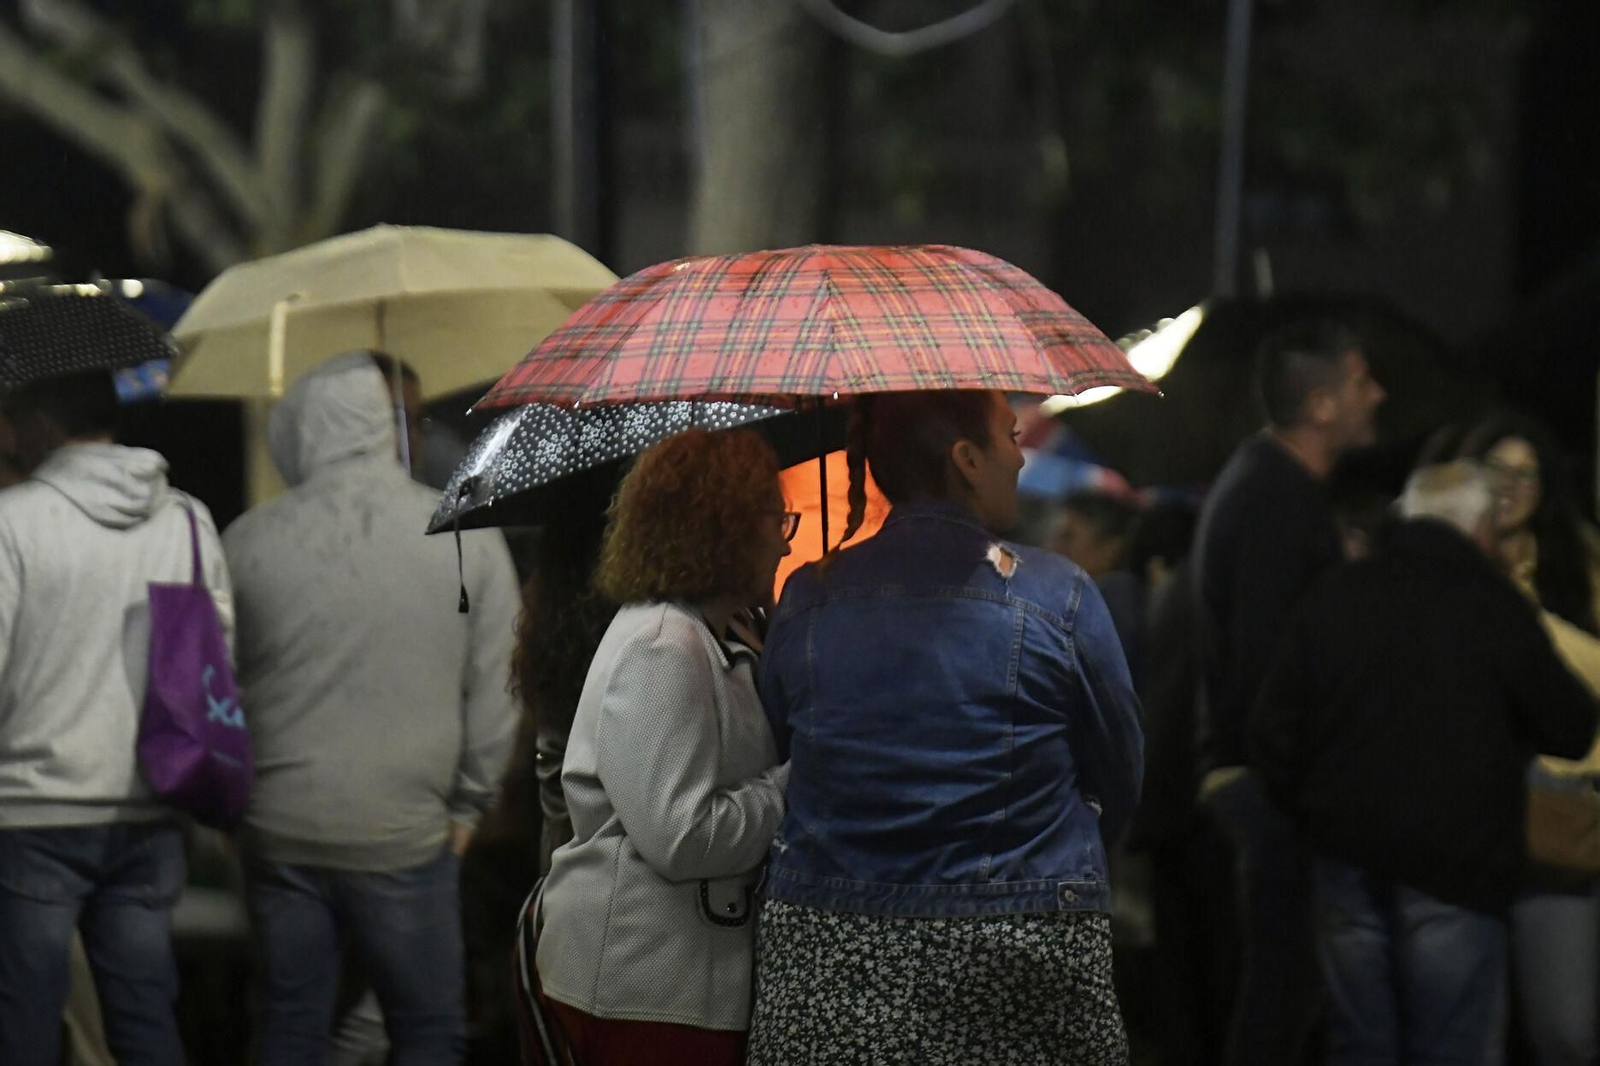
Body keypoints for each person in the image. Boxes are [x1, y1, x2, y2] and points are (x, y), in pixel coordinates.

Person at [747, 390, 1144, 1065]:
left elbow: (784, 751)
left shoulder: (808, 596)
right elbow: (1119, 774)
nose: (1022, 458)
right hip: (1024, 940)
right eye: (1010, 437)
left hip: (834, 948)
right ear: (965, 459)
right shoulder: (1062, 595)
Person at [224, 352, 519, 1066]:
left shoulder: (246, 541)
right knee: (425, 1028)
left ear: (296, 432)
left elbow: (218, 691)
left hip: (278, 829)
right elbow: (498, 684)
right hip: (407, 833)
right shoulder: (462, 534)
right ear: (386, 428)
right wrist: (467, 808)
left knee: (291, 1021)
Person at [1250, 460, 1598, 1064]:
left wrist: (1313, 815)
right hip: (1458, 869)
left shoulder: (1337, 595)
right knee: (1452, 1047)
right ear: (1480, 528)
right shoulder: (1493, 607)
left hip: (1346, 863)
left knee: (1361, 1045)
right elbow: (1570, 727)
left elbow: (1271, 733)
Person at [528, 429, 795, 1066]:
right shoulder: (662, 644)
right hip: (640, 986)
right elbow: (684, 837)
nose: (785, 540)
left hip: (668, 982)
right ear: (728, 528)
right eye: (775, 518)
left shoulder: (703, 632)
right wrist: (798, 784)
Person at [0, 370, 233, 1066]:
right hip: (151, 808)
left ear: (41, 423)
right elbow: (218, 662)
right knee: (142, 1017)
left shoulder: (14, 520)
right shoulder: (187, 518)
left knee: (25, 1024)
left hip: (33, 813)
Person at [1192, 318, 1386, 1065]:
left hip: (1262, 776)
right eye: (1363, 380)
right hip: (1269, 783)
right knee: (1282, 994)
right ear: (1322, 404)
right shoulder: (1277, 498)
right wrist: (1298, 778)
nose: (1379, 395)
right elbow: (1268, 659)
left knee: (1287, 991)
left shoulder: (1268, 486)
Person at [1461, 411, 1600, 1065]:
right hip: (1467, 823)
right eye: (1498, 470)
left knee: (1565, 1032)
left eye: (1529, 473)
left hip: (1560, 817)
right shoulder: (1446, 563)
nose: (1512, 486)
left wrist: (1526, 622)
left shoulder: (1579, 567)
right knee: (1473, 1037)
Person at [1051, 489, 1144, 667]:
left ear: (1110, 548)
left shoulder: (1115, 601)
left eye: (1068, 537)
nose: (1055, 547)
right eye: (1055, 536)